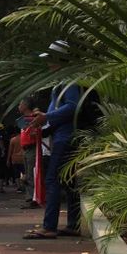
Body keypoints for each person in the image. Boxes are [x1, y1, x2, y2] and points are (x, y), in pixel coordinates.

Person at [24, 40, 81, 239]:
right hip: (62, 135)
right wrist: (42, 119)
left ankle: (50, 226)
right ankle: (73, 224)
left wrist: (47, 117)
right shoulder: (62, 83)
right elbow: (57, 111)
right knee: (69, 181)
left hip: (65, 137)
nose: (49, 64)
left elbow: (73, 106)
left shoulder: (69, 81)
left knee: (53, 179)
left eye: (51, 59)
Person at [18, 98, 40, 209]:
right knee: (27, 174)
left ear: (26, 105)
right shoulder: (23, 120)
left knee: (31, 174)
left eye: (20, 104)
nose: (19, 106)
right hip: (26, 149)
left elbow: (35, 133)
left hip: (32, 148)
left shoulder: (33, 117)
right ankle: (29, 196)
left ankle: (33, 199)